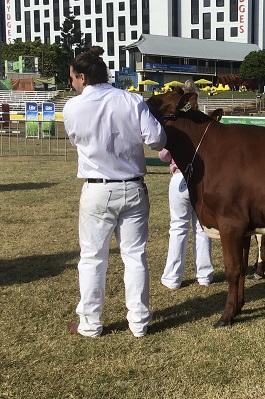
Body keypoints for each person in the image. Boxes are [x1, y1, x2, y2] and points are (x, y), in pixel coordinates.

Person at [63, 46, 167, 338]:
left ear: (82, 77)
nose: (72, 83)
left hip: (97, 188)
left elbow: (76, 140)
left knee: (93, 258)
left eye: (72, 78)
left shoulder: (72, 107)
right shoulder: (132, 101)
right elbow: (157, 140)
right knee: (135, 256)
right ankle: (139, 322)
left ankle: (91, 323)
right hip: (133, 186)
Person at [159, 79, 214, 289]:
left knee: (178, 228)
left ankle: (173, 278)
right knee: (202, 227)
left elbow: (164, 155)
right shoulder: (204, 124)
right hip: (201, 177)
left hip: (180, 176)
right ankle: (205, 275)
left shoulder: (177, 125)